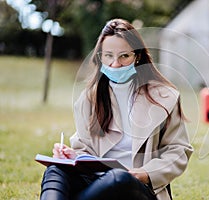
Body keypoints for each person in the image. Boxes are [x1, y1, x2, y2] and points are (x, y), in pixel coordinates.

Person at [40, 18, 193, 200]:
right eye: (109, 56)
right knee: (55, 170)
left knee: (119, 178)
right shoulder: (89, 99)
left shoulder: (164, 97)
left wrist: (146, 173)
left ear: (137, 56)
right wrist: (72, 155)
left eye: (124, 56)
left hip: (139, 187)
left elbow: (178, 149)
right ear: (100, 57)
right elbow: (85, 150)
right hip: (96, 182)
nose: (115, 64)